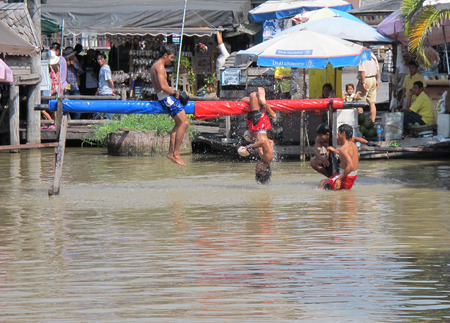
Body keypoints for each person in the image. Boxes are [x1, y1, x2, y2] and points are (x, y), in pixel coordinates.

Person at [150, 45, 190, 167]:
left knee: (178, 124)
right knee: (184, 123)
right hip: (166, 98)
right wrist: (176, 93)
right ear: (165, 55)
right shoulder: (160, 66)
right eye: (171, 57)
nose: (171, 60)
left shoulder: (155, 65)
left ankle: (170, 153)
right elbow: (162, 86)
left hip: (164, 98)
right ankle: (176, 154)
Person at [241, 87, 276, 184]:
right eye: (258, 169)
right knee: (253, 95)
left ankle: (263, 103)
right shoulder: (267, 158)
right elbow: (264, 142)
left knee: (244, 100)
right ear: (264, 169)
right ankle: (264, 103)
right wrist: (251, 147)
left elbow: (270, 142)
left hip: (259, 128)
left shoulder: (266, 158)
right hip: (259, 125)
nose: (256, 166)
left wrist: (254, 139)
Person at [318, 124, 359, 190]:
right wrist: (334, 150)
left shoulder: (344, 148)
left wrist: (339, 179)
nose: (337, 134)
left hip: (345, 176)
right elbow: (347, 155)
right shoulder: (353, 145)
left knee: (323, 184)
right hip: (352, 176)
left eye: (338, 132)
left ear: (343, 133)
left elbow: (351, 166)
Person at [356, 51, 379, 122]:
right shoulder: (373, 56)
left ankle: (361, 121)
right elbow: (378, 70)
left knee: (359, 102)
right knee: (372, 103)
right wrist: (377, 80)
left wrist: (363, 82)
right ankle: (372, 121)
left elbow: (362, 71)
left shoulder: (361, 56)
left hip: (366, 79)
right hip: (373, 79)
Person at [64, 47, 84, 119]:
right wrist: (66, 65)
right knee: (66, 105)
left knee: (78, 105)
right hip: (65, 87)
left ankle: (76, 121)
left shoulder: (75, 60)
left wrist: (74, 64)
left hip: (74, 86)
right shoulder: (63, 61)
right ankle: (67, 120)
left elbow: (81, 71)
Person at [95, 51, 116, 120]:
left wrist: (112, 89)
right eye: (98, 59)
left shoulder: (106, 68)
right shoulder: (102, 68)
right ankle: (97, 121)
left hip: (106, 92)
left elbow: (109, 80)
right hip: (102, 91)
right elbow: (101, 81)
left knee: (107, 109)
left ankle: (109, 122)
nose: (99, 61)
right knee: (100, 108)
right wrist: (98, 90)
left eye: (100, 59)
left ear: (104, 59)